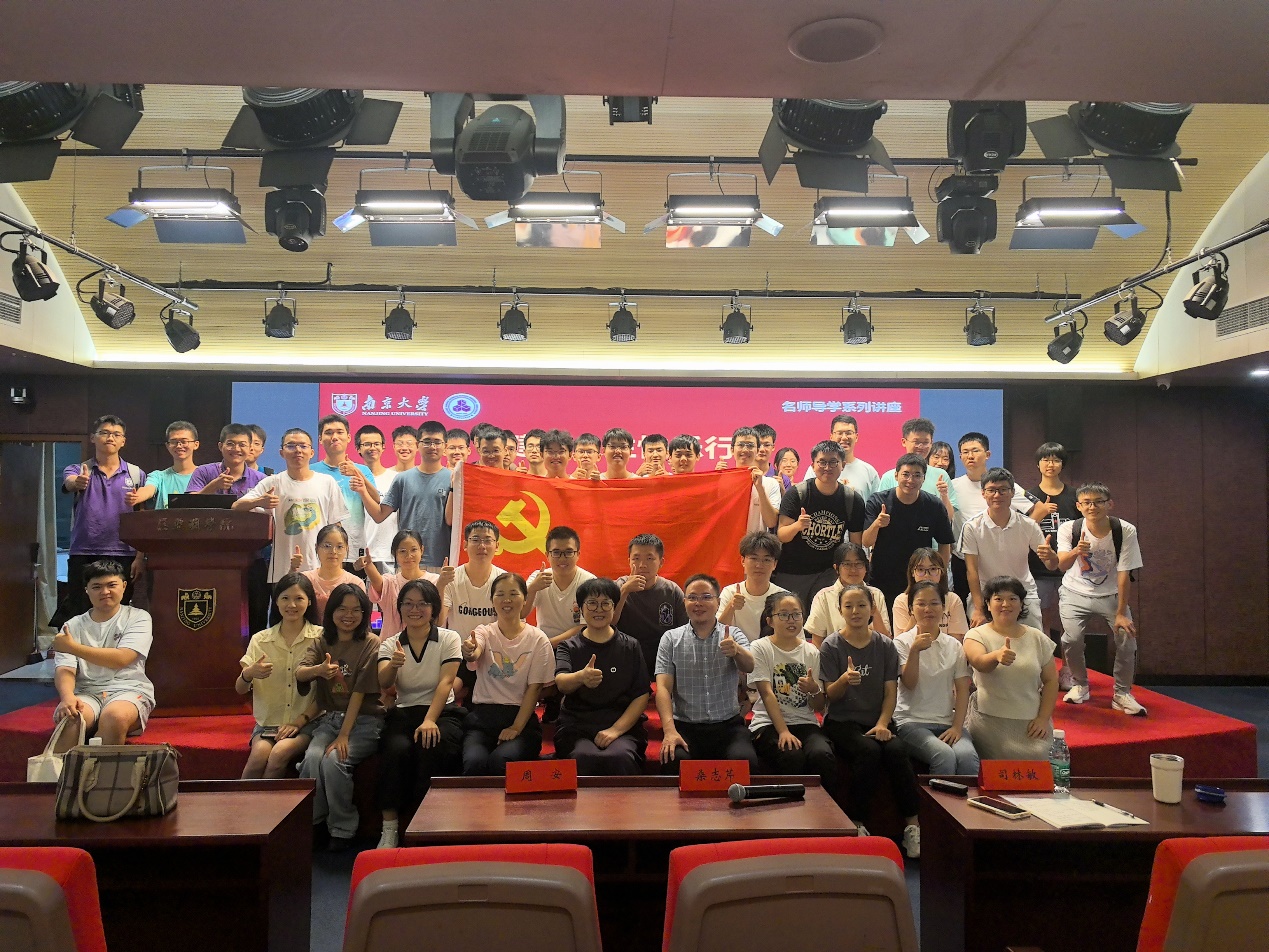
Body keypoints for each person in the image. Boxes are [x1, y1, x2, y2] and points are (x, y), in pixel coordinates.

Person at [818, 583, 922, 854]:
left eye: (861, 605)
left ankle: (913, 826)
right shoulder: (831, 646)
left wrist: (883, 723)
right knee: (869, 751)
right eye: (849, 606)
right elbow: (829, 696)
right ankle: (857, 822)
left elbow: (891, 692)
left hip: (878, 719)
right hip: (841, 721)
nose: (855, 611)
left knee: (897, 751)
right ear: (840, 610)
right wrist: (843, 680)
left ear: (872, 609)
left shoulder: (885, 645)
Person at [374, 578, 465, 848]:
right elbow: (384, 683)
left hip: (442, 711)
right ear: (400, 608)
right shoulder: (390, 643)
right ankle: (389, 829)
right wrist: (393, 665)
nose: (415, 610)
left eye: (422, 603)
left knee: (434, 745)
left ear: (433, 608)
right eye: (408, 604)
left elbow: (446, 683)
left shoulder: (449, 638)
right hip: (404, 712)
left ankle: (429, 825)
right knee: (394, 750)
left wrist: (429, 720)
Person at [296, 583, 384, 850]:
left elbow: (359, 691)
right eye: (342, 609)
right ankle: (314, 821)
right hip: (330, 719)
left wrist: (344, 734)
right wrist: (318, 671)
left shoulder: (371, 643)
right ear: (331, 611)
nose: (349, 615)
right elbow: (300, 672)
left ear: (365, 613)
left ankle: (342, 827)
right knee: (312, 758)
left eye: (356, 610)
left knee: (335, 760)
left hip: (365, 721)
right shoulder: (322, 640)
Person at [1055, 482, 1146, 715]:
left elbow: (1124, 573)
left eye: (1098, 502)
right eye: (1086, 503)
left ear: (1110, 504)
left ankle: (1122, 693)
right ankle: (1080, 685)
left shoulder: (1124, 530)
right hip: (1074, 592)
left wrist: (1121, 613)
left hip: (1111, 594)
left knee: (1126, 638)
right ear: (1078, 506)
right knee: (1071, 640)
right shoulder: (1070, 529)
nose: (1092, 507)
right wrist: (1077, 550)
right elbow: (1062, 565)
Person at [654, 574, 760, 771]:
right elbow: (663, 689)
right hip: (685, 726)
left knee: (744, 762)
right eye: (692, 597)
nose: (698, 603)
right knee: (672, 761)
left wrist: (736, 651)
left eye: (706, 597)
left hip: (728, 726)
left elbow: (750, 666)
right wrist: (669, 731)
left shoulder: (733, 634)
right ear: (684, 602)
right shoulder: (670, 639)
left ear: (718, 602)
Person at [52, 415, 144, 627]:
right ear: (93, 438)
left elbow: (142, 517)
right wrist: (78, 482)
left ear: (123, 441)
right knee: (80, 610)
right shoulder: (77, 469)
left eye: (116, 434)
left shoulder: (136, 474)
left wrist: (140, 557)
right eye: (104, 433)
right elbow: (70, 483)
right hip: (84, 551)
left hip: (123, 552)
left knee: (118, 611)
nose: (110, 438)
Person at [553, 577, 651, 775]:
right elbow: (561, 683)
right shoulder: (568, 646)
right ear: (581, 609)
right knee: (583, 757)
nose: (599, 610)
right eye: (592, 603)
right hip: (577, 727)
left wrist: (616, 730)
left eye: (606, 603)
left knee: (620, 757)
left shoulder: (630, 646)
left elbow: (641, 695)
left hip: (622, 727)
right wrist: (581, 677)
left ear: (614, 608)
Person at [51, 559, 154, 744]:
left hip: (128, 689)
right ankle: (60, 764)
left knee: (115, 717)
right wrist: (67, 697)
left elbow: (122, 658)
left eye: (111, 585)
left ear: (124, 586)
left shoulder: (139, 617)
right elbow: (65, 668)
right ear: (87, 590)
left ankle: (101, 764)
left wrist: (72, 647)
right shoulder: (72, 625)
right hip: (87, 692)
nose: (105, 592)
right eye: (97, 587)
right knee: (71, 719)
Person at [459, 573, 554, 774]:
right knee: (474, 762)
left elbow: (535, 688)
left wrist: (516, 728)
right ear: (492, 600)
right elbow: (475, 650)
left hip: (522, 719)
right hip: (482, 720)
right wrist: (470, 651)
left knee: (501, 762)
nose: (506, 600)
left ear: (525, 599)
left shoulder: (538, 639)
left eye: (513, 594)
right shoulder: (484, 632)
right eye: (500, 594)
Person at [234, 427, 348, 585]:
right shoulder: (272, 482)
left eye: (303, 446)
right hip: (283, 569)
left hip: (320, 568)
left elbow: (336, 526)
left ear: (312, 452)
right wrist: (259, 501)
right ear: (282, 453)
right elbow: (237, 506)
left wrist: (337, 565)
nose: (298, 450)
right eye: (291, 446)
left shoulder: (327, 482)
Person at [236, 573, 324, 779]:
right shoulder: (260, 640)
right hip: (268, 723)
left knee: (278, 754)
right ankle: (241, 801)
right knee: (258, 757)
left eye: (299, 598)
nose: (291, 605)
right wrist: (248, 674)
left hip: (307, 722)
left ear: (309, 601)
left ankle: (267, 802)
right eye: (285, 598)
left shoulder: (321, 638)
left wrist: (298, 722)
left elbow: (325, 695)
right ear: (276, 601)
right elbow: (240, 689)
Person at [963, 575, 1058, 760]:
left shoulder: (1037, 637)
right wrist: (996, 656)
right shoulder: (976, 635)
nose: (1005, 604)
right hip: (989, 720)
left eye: (1012, 599)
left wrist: (1042, 719)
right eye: (998, 599)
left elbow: (1051, 681)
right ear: (988, 604)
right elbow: (979, 662)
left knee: (1039, 757)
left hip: (1031, 721)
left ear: (1021, 604)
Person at [748, 592, 837, 787]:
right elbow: (767, 694)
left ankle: (825, 807)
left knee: (822, 755)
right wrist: (783, 731)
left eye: (796, 614)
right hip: (768, 724)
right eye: (784, 614)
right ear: (770, 621)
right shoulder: (760, 648)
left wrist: (814, 690)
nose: (791, 620)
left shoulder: (811, 651)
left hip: (805, 722)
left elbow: (818, 706)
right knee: (791, 755)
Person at [190, 423, 271, 633]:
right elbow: (187, 507)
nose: (236, 449)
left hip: (252, 557)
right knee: (215, 612)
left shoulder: (261, 480)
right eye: (231, 444)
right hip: (209, 556)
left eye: (242, 444)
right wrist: (213, 486)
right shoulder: (204, 472)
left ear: (250, 448)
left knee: (256, 611)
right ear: (221, 446)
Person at [893, 581, 978, 776]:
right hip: (910, 721)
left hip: (946, 721)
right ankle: (938, 798)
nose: (928, 609)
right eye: (921, 604)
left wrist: (957, 727)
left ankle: (963, 799)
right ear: (911, 609)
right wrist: (915, 650)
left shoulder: (953, 645)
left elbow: (963, 690)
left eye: (934, 603)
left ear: (943, 607)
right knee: (944, 755)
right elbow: (909, 683)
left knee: (968, 757)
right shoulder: (901, 643)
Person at [774, 440, 866, 608]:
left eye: (833, 462)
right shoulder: (797, 494)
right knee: (791, 618)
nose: (827, 467)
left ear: (843, 465)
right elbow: (782, 535)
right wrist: (797, 526)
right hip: (792, 572)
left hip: (829, 573)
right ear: (813, 465)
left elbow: (855, 544)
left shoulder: (852, 500)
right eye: (822, 462)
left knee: (826, 620)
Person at [961, 467, 1057, 628]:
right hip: (987, 593)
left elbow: (1051, 565)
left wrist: (1051, 556)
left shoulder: (1029, 525)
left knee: (1033, 637)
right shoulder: (972, 527)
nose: (997, 495)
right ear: (983, 493)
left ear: (1012, 492)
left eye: (1003, 490)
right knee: (978, 637)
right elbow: (972, 571)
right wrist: (979, 608)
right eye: (991, 490)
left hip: (1023, 592)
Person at [950, 432, 1039, 603]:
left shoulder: (1001, 484)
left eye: (975, 450)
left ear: (988, 454)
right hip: (963, 559)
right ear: (960, 457)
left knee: (1001, 605)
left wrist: (1021, 534)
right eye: (965, 452)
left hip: (995, 559)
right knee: (968, 607)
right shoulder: (953, 486)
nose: (970, 456)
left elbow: (1039, 508)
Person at [863, 453, 954, 614]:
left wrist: (938, 575)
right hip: (883, 578)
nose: (911, 480)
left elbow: (945, 543)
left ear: (923, 479)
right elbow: (866, 541)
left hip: (921, 579)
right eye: (906, 474)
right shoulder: (878, 501)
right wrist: (877, 524)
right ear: (896, 475)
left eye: (917, 475)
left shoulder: (934, 505)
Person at [363, 420, 453, 574]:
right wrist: (362, 491)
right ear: (418, 445)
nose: (432, 447)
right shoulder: (403, 479)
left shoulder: (453, 478)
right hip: (407, 560)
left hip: (442, 561)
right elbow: (379, 515)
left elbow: (452, 520)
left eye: (437, 442)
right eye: (427, 442)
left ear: (445, 446)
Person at [1028, 443, 1079, 653]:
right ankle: (1047, 663)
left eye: (1056, 460)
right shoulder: (1029, 496)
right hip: (1039, 569)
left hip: (1070, 568)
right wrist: (1040, 513)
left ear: (1062, 464)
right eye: (1046, 460)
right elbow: (1022, 530)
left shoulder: (1075, 495)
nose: (1050, 464)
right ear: (1038, 464)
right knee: (1042, 620)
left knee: (1071, 623)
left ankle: (1069, 666)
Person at [310, 414, 379, 567]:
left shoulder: (362, 470)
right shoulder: (310, 471)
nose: (334, 437)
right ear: (320, 439)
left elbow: (377, 503)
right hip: (319, 552)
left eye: (339, 432)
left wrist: (357, 474)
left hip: (353, 552)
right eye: (329, 433)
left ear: (348, 437)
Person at [360, 529, 452, 641]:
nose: (409, 555)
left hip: (426, 646)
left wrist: (441, 585)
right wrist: (368, 566)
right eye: (402, 551)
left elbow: (439, 621)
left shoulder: (436, 581)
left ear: (422, 550)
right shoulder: (390, 582)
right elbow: (377, 582)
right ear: (395, 553)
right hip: (392, 646)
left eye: (414, 550)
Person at [615, 533, 687, 667]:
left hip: (664, 655)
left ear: (661, 562)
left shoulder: (671, 590)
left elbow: (685, 629)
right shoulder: (619, 586)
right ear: (629, 561)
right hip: (625, 654)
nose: (642, 565)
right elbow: (608, 623)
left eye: (649, 558)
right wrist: (624, 591)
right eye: (636, 558)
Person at [804, 542, 891, 643]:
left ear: (866, 567)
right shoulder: (823, 597)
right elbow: (817, 641)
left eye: (858, 564)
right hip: (834, 652)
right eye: (847, 564)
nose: (853, 570)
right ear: (836, 568)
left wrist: (874, 611)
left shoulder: (876, 594)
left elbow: (885, 639)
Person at [874, 418, 957, 524]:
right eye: (916, 442)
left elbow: (948, 517)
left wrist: (944, 495)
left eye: (926, 442)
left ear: (931, 443)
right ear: (904, 442)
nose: (921, 447)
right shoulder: (889, 477)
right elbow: (880, 513)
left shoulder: (941, 475)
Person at [525, 526, 596, 640]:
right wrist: (532, 589)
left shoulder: (589, 582)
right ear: (547, 555)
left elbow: (585, 626)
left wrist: (549, 644)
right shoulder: (538, 578)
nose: (562, 558)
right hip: (544, 642)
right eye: (556, 552)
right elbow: (520, 614)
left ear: (578, 554)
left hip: (577, 644)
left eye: (568, 552)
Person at [717, 531, 787, 642]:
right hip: (735, 650)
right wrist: (731, 607)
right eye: (754, 558)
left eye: (766, 560)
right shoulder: (730, 592)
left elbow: (796, 639)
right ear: (743, 561)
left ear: (774, 564)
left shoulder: (784, 598)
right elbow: (716, 633)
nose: (759, 565)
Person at [890, 548, 970, 640]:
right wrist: (915, 614)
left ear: (941, 572)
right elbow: (900, 643)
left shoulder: (953, 599)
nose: (927, 575)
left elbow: (957, 640)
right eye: (920, 569)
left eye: (933, 569)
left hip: (944, 648)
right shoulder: (901, 600)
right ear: (912, 572)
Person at [293, 524, 366, 617]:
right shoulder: (305, 579)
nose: (333, 551)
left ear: (347, 549)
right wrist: (292, 570)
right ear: (316, 547)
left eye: (339, 547)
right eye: (327, 546)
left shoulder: (356, 583)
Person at [354, 425, 398, 573]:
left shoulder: (395, 478)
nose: (372, 448)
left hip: (389, 553)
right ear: (358, 449)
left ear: (383, 447)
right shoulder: (352, 480)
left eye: (376, 444)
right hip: (361, 555)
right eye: (367, 444)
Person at [803, 415, 879, 498]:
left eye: (849, 433)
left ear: (856, 437)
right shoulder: (818, 468)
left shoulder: (869, 471)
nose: (844, 438)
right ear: (831, 436)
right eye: (839, 433)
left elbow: (876, 503)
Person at [719, 426, 780, 531]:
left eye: (750, 446)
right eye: (741, 445)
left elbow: (771, 522)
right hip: (727, 540)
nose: (745, 450)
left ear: (757, 450)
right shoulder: (721, 481)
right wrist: (718, 478)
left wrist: (760, 489)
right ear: (732, 450)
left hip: (755, 541)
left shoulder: (770, 483)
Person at [132, 421, 199, 510]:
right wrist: (137, 496)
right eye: (174, 442)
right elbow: (149, 489)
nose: (179, 446)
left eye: (184, 441)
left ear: (196, 444)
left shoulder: (205, 475)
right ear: (167, 446)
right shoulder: (158, 476)